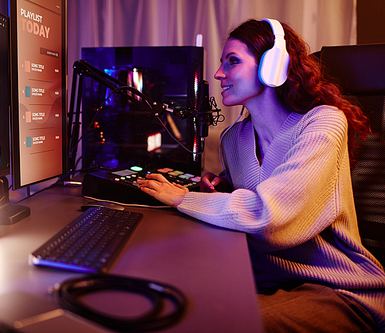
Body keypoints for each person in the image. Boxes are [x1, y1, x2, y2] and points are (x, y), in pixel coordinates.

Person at [137, 19, 385, 332]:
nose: (218, 73)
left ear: (273, 64)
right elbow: (259, 181)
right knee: (169, 301)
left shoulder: (322, 123)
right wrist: (221, 184)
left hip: (336, 287)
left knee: (222, 324)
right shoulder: (234, 138)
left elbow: (270, 217)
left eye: (233, 61)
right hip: (263, 278)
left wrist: (184, 197)